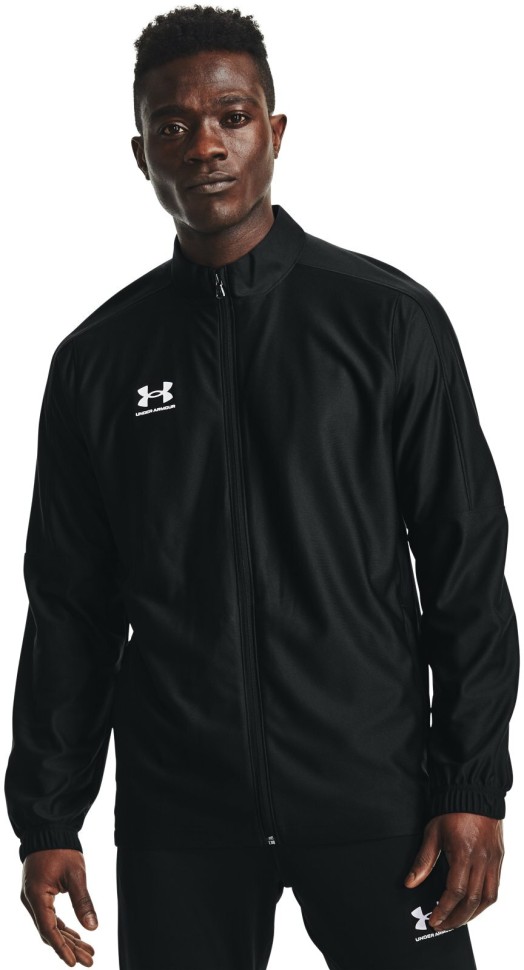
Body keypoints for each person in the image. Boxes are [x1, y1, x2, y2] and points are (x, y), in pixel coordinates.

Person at [4, 5, 520, 969]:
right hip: (180, 818)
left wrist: (470, 785)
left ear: (274, 132)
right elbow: (70, 605)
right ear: (140, 154)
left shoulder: (387, 321)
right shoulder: (97, 363)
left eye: (232, 117)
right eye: (172, 125)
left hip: (377, 799)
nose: (204, 145)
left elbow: (464, 570)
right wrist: (47, 816)